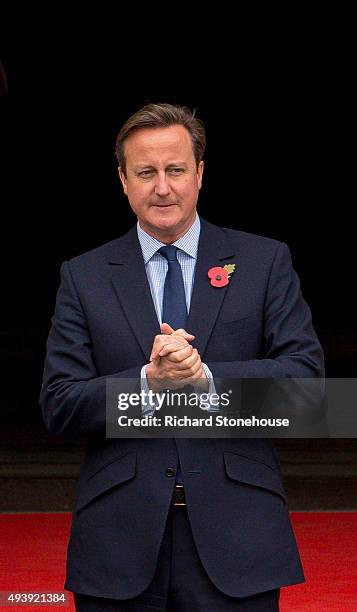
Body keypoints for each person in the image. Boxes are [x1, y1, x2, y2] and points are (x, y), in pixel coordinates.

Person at [40, 103, 324, 611]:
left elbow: (309, 390)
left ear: (199, 173)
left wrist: (205, 378)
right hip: (118, 541)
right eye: (146, 172)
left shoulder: (263, 261)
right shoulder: (82, 276)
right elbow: (59, 404)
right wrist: (149, 382)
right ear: (123, 180)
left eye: (175, 170)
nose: (162, 187)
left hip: (239, 536)